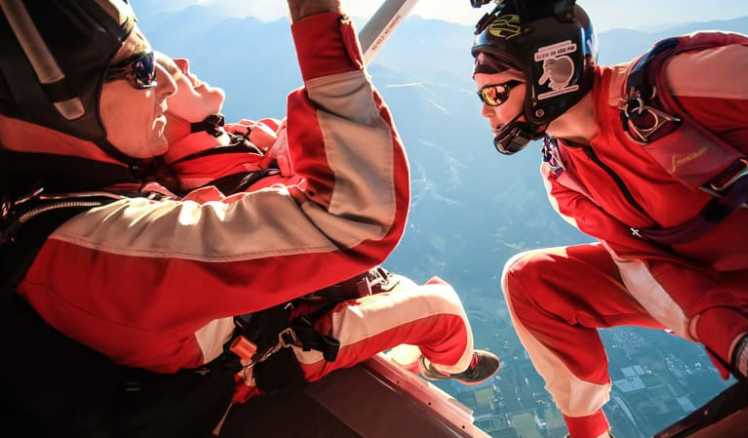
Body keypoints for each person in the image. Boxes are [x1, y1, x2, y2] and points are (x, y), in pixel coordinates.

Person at [0, 1, 498, 437]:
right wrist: (317, 17)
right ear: (57, 103)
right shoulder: (91, 251)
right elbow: (357, 215)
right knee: (440, 307)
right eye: (143, 69)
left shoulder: (69, 202)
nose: (167, 84)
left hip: (251, 321)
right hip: (264, 356)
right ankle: (448, 363)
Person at [467, 1, 748, 437]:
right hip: (730, 296)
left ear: (551, 73)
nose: (485, 110)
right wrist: (742, 345)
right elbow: (641, 265)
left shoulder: (682, 85)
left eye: (494, 92)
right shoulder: (563, 177)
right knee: (532, 281)